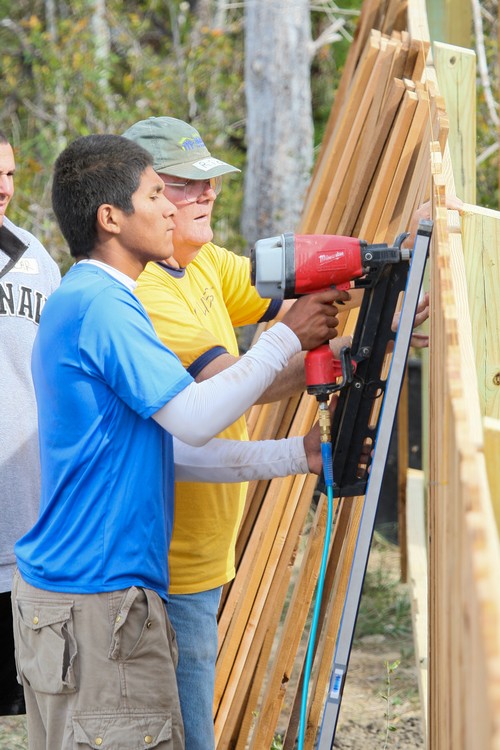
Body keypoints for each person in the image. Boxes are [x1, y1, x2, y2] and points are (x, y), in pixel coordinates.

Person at [11, 133, 347, 750]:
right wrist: (284, 337)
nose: (172, 208)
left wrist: (293, 455)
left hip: (90, 596)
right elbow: (195, 418)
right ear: (110, 218)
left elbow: (175, 452)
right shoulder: (104, 305)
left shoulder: (99, 300)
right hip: (98, 600)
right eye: (157, 194)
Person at [122, 116, 432, 749]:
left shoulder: (201, 262)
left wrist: (379, 272)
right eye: (186, 186)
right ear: (143, 195)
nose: (208, 195)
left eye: (210, 182)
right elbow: (240, 383)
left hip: (205, 549)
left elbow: (285, 289)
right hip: (167, 565)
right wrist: (359, 340)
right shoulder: (148, 293)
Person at [0, 130, 60, 717]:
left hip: (26, 527)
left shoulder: (33, 256)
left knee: (39, 704)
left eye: (11, 174)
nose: (3, 188)